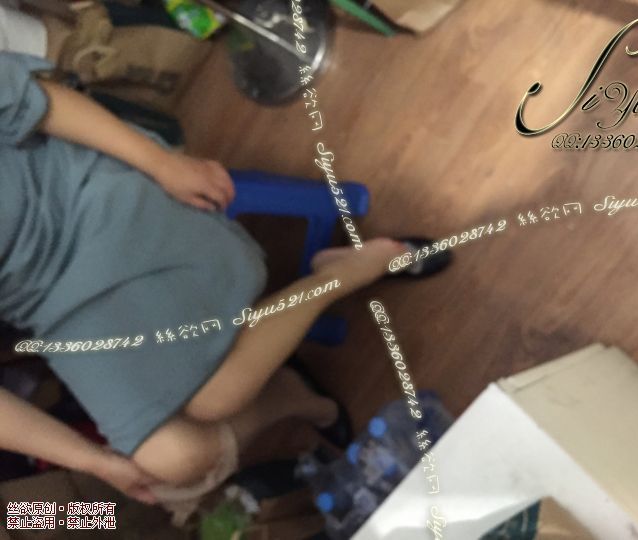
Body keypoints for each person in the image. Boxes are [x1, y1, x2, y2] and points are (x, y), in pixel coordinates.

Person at [0, 50, 413, 508]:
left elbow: (36, 101)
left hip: (88, 197)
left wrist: (162, 163)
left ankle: (333, 284)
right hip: (46, 304)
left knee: (211, 402)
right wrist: (94, 463)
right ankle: (289, 394)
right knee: (172, 463)